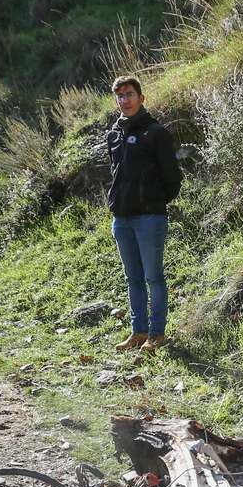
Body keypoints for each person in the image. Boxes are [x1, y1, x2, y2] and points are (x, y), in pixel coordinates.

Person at [106, 75, 182, 352]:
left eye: (129, 94)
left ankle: (157, 334)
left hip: (150, 218)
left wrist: (154, 202)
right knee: (133, 278)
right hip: (121, 219)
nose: (125, 100)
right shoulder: (113, 134)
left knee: (153, 277)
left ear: (141, 98)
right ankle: (138, 333)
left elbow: (173, 178)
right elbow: (116, 173)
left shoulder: (156, 133)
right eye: (120, 96)